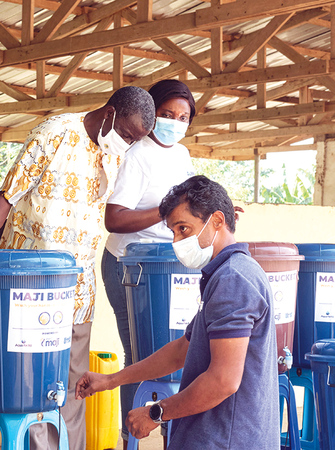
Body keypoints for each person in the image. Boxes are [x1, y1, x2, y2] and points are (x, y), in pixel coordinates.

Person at [0, 85, 156, 450]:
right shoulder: (54, 132)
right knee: (32, 386)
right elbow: (8, 195)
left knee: (71, 389)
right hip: (26, 290)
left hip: (78, 293)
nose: (127, 143)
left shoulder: (113, 157)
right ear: (110, 112)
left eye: (135, 140)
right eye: (127, 134)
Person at [76, 175, 279, 449]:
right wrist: (111, 380)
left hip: (226, 440)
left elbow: (223, 381)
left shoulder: (234, 280)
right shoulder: (225, 275)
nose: (177, 240)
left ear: (217, 221)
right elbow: (182, 350)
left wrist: (155, 412)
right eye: (173, 231)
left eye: (184, 228)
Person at [100, 79, 197, 448]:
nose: (175, 122)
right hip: (130, 266)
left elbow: (190, 204)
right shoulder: (138, 154)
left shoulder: (181, 154)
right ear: (151, 112)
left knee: (172, 356)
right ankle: (132, 439)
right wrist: (165, 211)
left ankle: (172, 434)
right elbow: (115, 218)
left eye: (183, 117)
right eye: (167, 114)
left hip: (167, 267)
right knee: (140, 355)